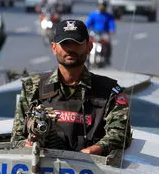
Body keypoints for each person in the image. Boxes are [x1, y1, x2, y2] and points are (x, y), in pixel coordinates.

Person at [10, 19, 132, 156]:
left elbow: (120, 133)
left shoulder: (109, 91)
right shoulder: (33, 87)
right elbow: (16, 138)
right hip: (41, 170)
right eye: (65, 44)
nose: (70, 49)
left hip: (93, 170)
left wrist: (94, 150)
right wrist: (27, 145)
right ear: (53, 48)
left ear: (89, 47)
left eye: (77, 43)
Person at [85, 0, 116, 66]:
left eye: (103, 5)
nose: (101, 7)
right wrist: (84, 29)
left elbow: (112, 25)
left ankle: (107, 58)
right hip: (94, 33)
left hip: (104, 34)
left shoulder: (109, 16)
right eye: (100, 5)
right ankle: (86, 57)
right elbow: (88, 24)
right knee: (86, 43)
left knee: (108, 43)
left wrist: (112, 30)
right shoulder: (93, 15)